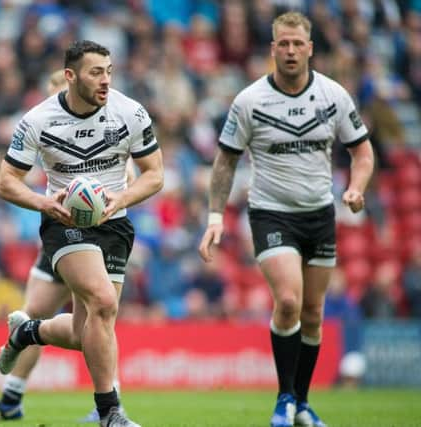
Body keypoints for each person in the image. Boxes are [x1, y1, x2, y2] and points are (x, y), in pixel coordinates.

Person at [198, 12, 373, 427]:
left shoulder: (333, 96)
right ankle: (283, 397)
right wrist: (214, 215)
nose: (291, 50)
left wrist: (356, 186)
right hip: (271, 212)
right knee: (289, 301)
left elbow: (362, 152)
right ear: (272, 48)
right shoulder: (250, 101)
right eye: (284, 44)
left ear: (310, 48)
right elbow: (225, 162)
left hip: (319, 214)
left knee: (313, 312)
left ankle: (302, 402)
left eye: (298, 43)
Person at [0, 40, 163, 427]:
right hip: (64, 223)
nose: (105, 80)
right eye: (95, 72)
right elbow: (6, 182)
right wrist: (44, 203)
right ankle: (111, 414)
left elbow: (155, 174)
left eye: (108, 71)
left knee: (84, 330)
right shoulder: (38, 120)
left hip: (114, 221)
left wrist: (119, 199)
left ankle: (28, 331)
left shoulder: (130, 112)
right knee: (103, 302)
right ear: (70, 76)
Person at [0, 70, 134, 423]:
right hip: (65, 233)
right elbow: (17, 178)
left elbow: (129, 177)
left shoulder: (111, 123)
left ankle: (104, 399)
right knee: (76, 309)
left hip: (103, 232)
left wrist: (109, 195)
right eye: (52, 92)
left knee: (88, 326)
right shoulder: (47, 123)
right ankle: (20, 397)